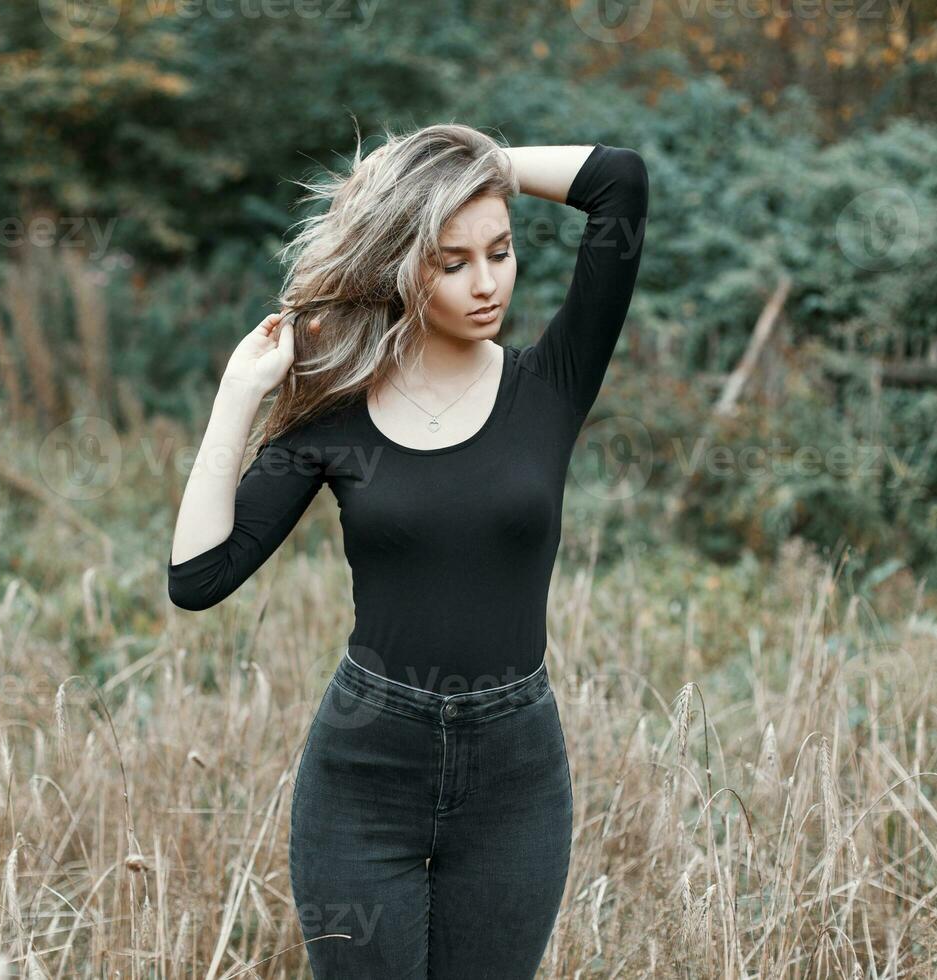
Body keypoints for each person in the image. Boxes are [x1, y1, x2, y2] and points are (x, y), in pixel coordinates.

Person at [168, 123, 648, 978]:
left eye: (499, 252)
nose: (487, 282)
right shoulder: (337, 417)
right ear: (399, 263)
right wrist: (237, 397)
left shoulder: (552, 384)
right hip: (365, 773)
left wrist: (470, 166)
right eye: (450, 261)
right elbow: (199, 577)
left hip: (515, 776)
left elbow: (619, 181)